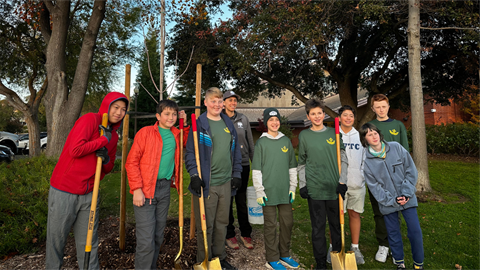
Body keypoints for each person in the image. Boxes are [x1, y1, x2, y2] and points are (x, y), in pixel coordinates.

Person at [46, 92, 128, 270]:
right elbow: (75, 150)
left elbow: (109, 166)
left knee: (88, 241)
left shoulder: (113, 136)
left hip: (89, 193)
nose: (119, 112)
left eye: (123, 110)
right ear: (107, 106)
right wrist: (101, 141)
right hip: (65, 189)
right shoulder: (90, 120)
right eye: (116, 107)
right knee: (56, 239)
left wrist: (105, 158)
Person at [125, 100, 189, 269]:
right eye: (167, 114)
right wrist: (137, 189)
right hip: (145, 190)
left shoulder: (177, 133)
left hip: (164, 189)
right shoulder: (146, 133)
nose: (171, 117)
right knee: (146, 240)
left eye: (174, 114)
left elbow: (189, 143)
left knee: (157, 237)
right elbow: (131, 162)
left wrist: (185, 123)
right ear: (158, 116)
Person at [185, 87, 242, 270]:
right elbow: (190, 153)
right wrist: (194, 175)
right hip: (206, 185)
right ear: (206, 103)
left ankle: (219, 258)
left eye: (219, 101)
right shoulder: (199, 124)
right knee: (205, 225)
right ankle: (204, 260)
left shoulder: (228, 123)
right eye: (213, 101)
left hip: (225, 183)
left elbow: (235, 153)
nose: (217, 104)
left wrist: (236, 174)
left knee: (222, 223)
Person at [360, 123, 424, 270]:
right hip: (388, 203)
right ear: (365, 140)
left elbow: (411, 170)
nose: (374, 136)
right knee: (393, 233)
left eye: (375, 132)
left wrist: (406, 193)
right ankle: (400, 263)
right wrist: (392, 200)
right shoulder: (368, 162)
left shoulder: (395, 147)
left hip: (407, 198)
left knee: (415, 231)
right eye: (369, 134)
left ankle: (418, 264)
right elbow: (375, 187)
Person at [297, 99, 348, 270]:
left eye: (319, 113)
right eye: (313, 114)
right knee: (318, 227)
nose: (317, 116)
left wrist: (343, 181)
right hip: (315, 188)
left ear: (324, 114)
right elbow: (302, 162)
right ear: (308, 116)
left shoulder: (334, 133)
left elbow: (344, 160)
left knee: (336, 225)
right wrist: (302, 184)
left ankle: (337, 256)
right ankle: (320, 262)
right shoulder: (304, 135)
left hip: (334, 188)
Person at [252, 108, 299, 270]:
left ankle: (284, 254)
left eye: (277, 120)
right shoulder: (261, 143)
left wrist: (293, 187)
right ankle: (272, 258)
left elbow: (292, 167)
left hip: (284, 191)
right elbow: (256, 169)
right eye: (271, 120)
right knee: (270, 225)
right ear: (266, 123)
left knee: (287, 222)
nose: (274, 123)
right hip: (268, 192)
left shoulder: (285, 141)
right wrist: (259, 191)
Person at [368, 93, 410, 262]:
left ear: (388, 106)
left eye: (383, 106)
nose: (381, 109)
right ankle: (383, 245)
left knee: (395, 211)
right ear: (372, 108)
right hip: (376, 177)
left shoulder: (398, 125)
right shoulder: (369, 126)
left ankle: (395, 246)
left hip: (396, 178)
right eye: (377, 107)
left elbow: (405, 154)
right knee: (379, 212)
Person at [222, 90, 255, 250]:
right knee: (227, 201)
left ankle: (245, 232)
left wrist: (254, 162)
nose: (233, 103)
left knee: (241, 201)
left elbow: (249, 141)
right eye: (230, 100)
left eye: (235, 100)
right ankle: (229, 234)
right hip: (226, 166)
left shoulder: (243, 118)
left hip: (243, 165)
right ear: (223, 103)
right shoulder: (220, 119)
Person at [338, 105, 365, 265]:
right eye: (345, 115)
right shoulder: (334, 135)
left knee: (354, 214)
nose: (348, 118)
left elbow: (365, 158)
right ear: (339, 117)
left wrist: (361, 177)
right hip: (338, 184)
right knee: (336, 217)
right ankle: (333, 247)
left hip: (356, 184)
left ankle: (355, 247)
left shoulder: (360, 136)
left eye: (351, 116)